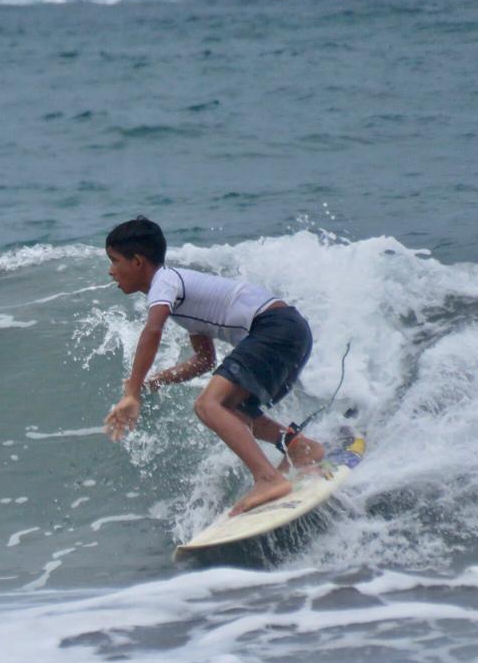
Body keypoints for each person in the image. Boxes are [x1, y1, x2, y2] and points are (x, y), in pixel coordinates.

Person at [102, 216, 325, 515]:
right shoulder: (181, 294)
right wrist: (154, 381)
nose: (111, 271)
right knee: (232, 410)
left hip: (274, 328)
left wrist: (131, 391)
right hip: (291, 331)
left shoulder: (165, 282)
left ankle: (268, 478)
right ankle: (298, 446)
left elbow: (152, 331)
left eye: (115, 261)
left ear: (138, 262)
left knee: (208, 405)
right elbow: (204, 360)